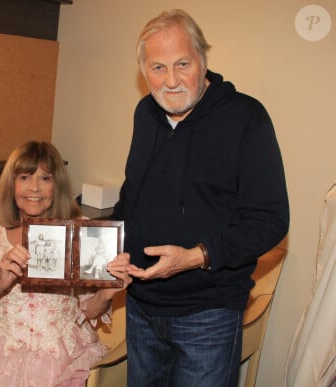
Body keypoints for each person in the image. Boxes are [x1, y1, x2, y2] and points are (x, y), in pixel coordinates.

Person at [111, 9, 290, 387]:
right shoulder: (145, 113)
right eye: (157, 68)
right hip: (141, 309)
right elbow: (133, 195)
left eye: (182, 64)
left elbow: (271, 220)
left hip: (208, 315)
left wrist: (195, 257)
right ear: (144, 72)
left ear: (203, 60)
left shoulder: (247, 117)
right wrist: (107, 245)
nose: (171, 80)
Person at [0, 141, 132, 387]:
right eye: (24, 177)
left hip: (62, 354)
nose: (34, 188)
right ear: (12, 184)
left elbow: (88, 311)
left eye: (45, 178)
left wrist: (106, 293)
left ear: (57, 186)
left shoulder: (78, 229)